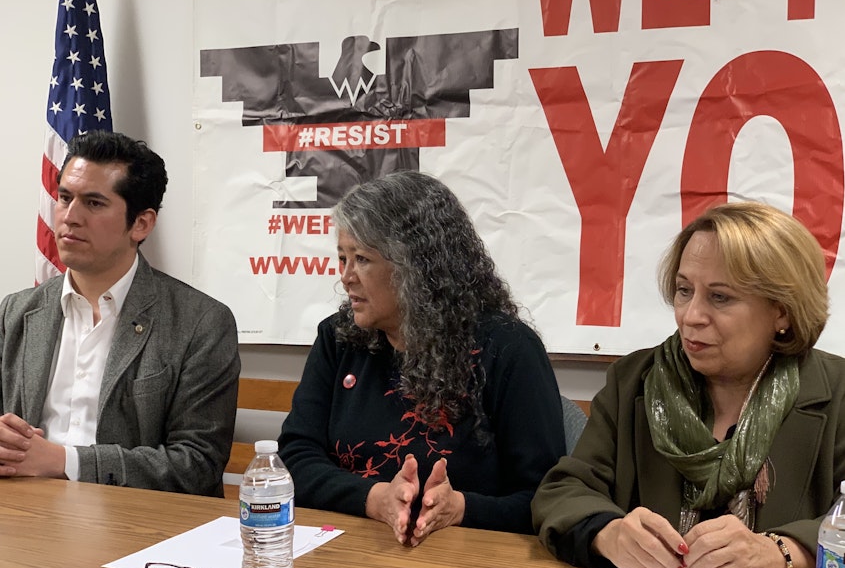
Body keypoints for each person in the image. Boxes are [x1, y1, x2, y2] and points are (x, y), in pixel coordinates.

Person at [532, 201, 845, 568]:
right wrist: (608, 533)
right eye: (684, 290)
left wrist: (781, 554)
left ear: (781, 311)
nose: (690, 315)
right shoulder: (634, 380)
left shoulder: (837, 394)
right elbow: (564, 490)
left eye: (720, 297)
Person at [279, 171, 566, 545]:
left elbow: (546, 496)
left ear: (414, 268)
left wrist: (460, 508)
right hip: (350, 549)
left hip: (470, 566)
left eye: (362, 259)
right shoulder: (338, 338)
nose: (346, 277)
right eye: (342, 257)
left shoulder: (507, 349)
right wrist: (375, 499)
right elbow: (295, 457)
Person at [0, 130, 240, 496]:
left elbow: (197, 464)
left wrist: (63, 461)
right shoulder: (16, 312)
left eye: (94, 204)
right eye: (65, 198)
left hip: (137, 525)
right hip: (24, 514)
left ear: (141, 224)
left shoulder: (200, 322)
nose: (70, 217)